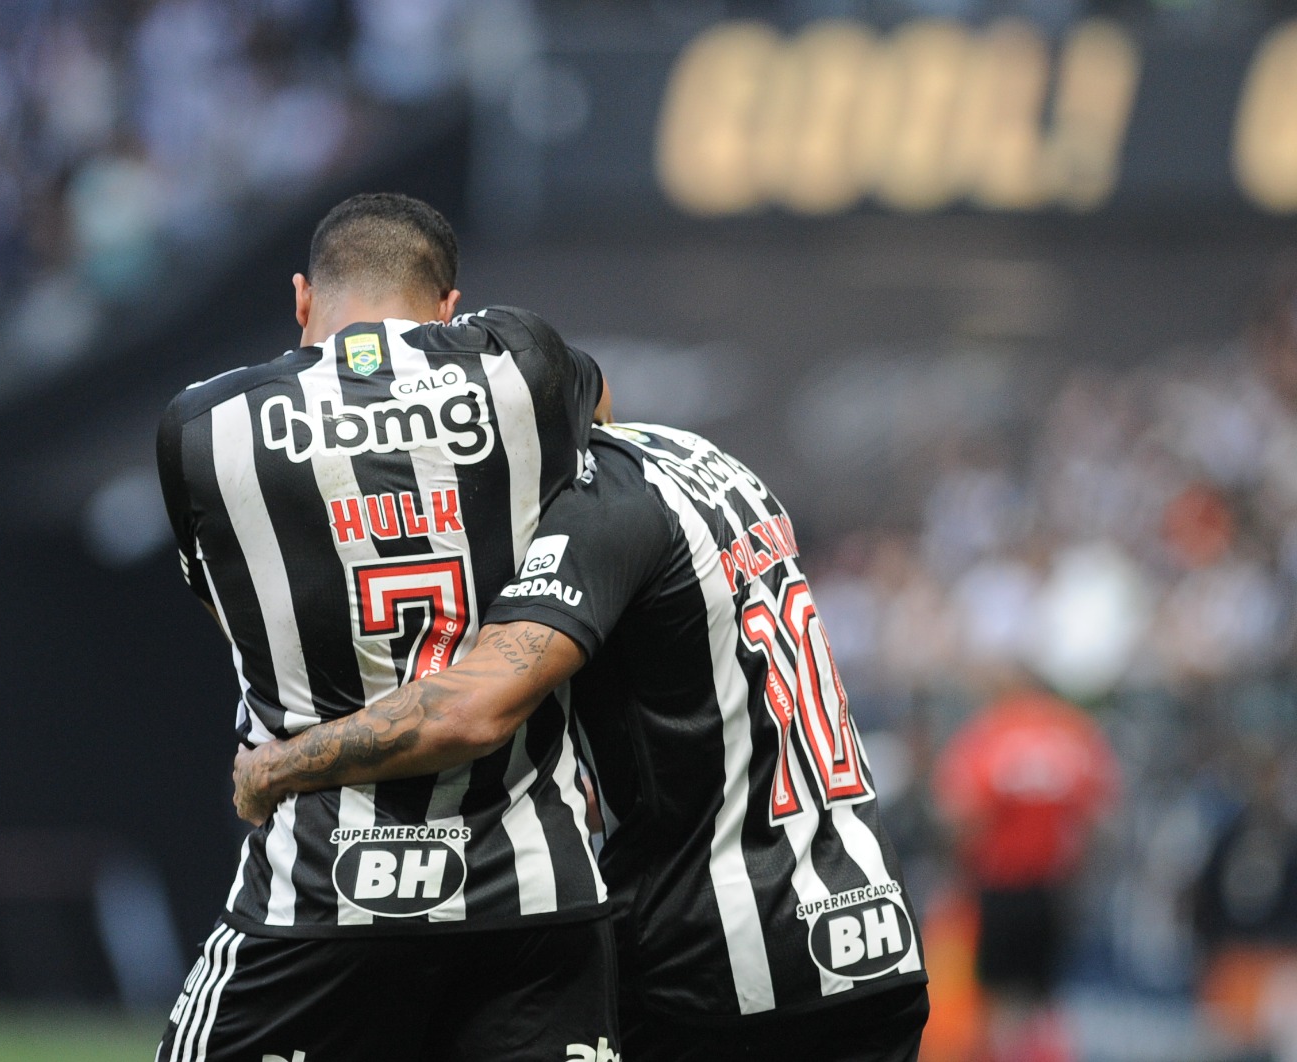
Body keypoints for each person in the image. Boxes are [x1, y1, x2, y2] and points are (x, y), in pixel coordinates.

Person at [235, 420, 930, 1061]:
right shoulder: (703, 462)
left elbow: (472, 710)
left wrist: (280, 766)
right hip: (871, 938)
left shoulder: (598, 502)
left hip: (727, 961)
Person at [155, 193, 617, 1061]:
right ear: (449, 307)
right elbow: (606, 434)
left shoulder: (200, 426)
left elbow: (237, 616)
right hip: (531, 899)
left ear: (302, 300)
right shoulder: (522, 362)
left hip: (317, 895)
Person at [932, 684, 1116, 1062]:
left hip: (1000, 886)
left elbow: (961, 816)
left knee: (997, 997)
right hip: (1051, 887)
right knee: (1043, 996)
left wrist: (963, 874)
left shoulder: (990, 733)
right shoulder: (1073, 733)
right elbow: (1100, 817)